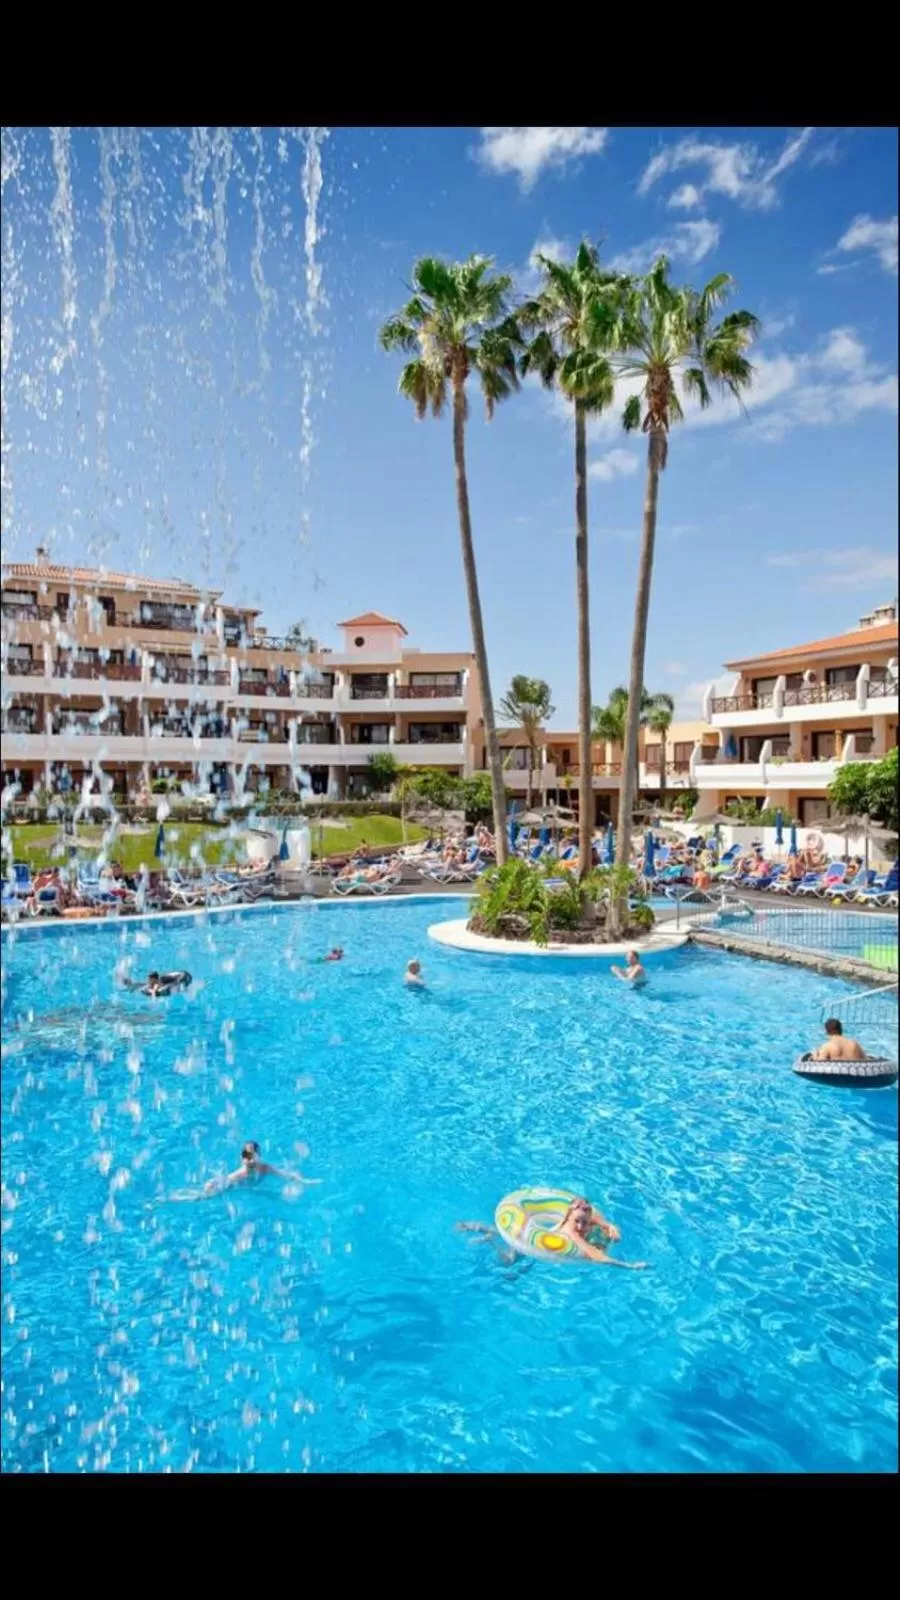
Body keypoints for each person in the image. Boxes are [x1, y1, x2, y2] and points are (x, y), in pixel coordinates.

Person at [458, 1195, 648, 1269]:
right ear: (568, 1218)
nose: (581, 1227)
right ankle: (490, 1238)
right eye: (577, 1222)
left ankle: (486, 1229)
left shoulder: (586, 1218)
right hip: (531, 1243)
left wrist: (610, 1226)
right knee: (508, 1263)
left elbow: (597, 1219)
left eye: (584, 1222)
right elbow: (595, 1255)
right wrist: (628, 1266)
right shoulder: (572, 1233)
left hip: (542, 1237)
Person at [202, 1141, 322, 1196]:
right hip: (238, 1189)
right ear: (242, 1159)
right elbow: (223, 1181)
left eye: (253, 1156)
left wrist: (305, 1181)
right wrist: (211, 1184)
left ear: (259, 1157)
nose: (251, 1160)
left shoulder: (265, 1168)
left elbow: (286, 1175)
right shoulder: (239, 1175)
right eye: (247, 1157)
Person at [123, 969, 192, 998]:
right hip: (179, 976)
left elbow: (156, 991)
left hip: (186, 977)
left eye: (150, 980)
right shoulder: (157, 981)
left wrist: (182, 986)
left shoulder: (162, 980)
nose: (149, 981)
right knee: (148, 986)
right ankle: (132, 985)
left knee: (163, 990)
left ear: (154, 979)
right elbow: (148, 985)